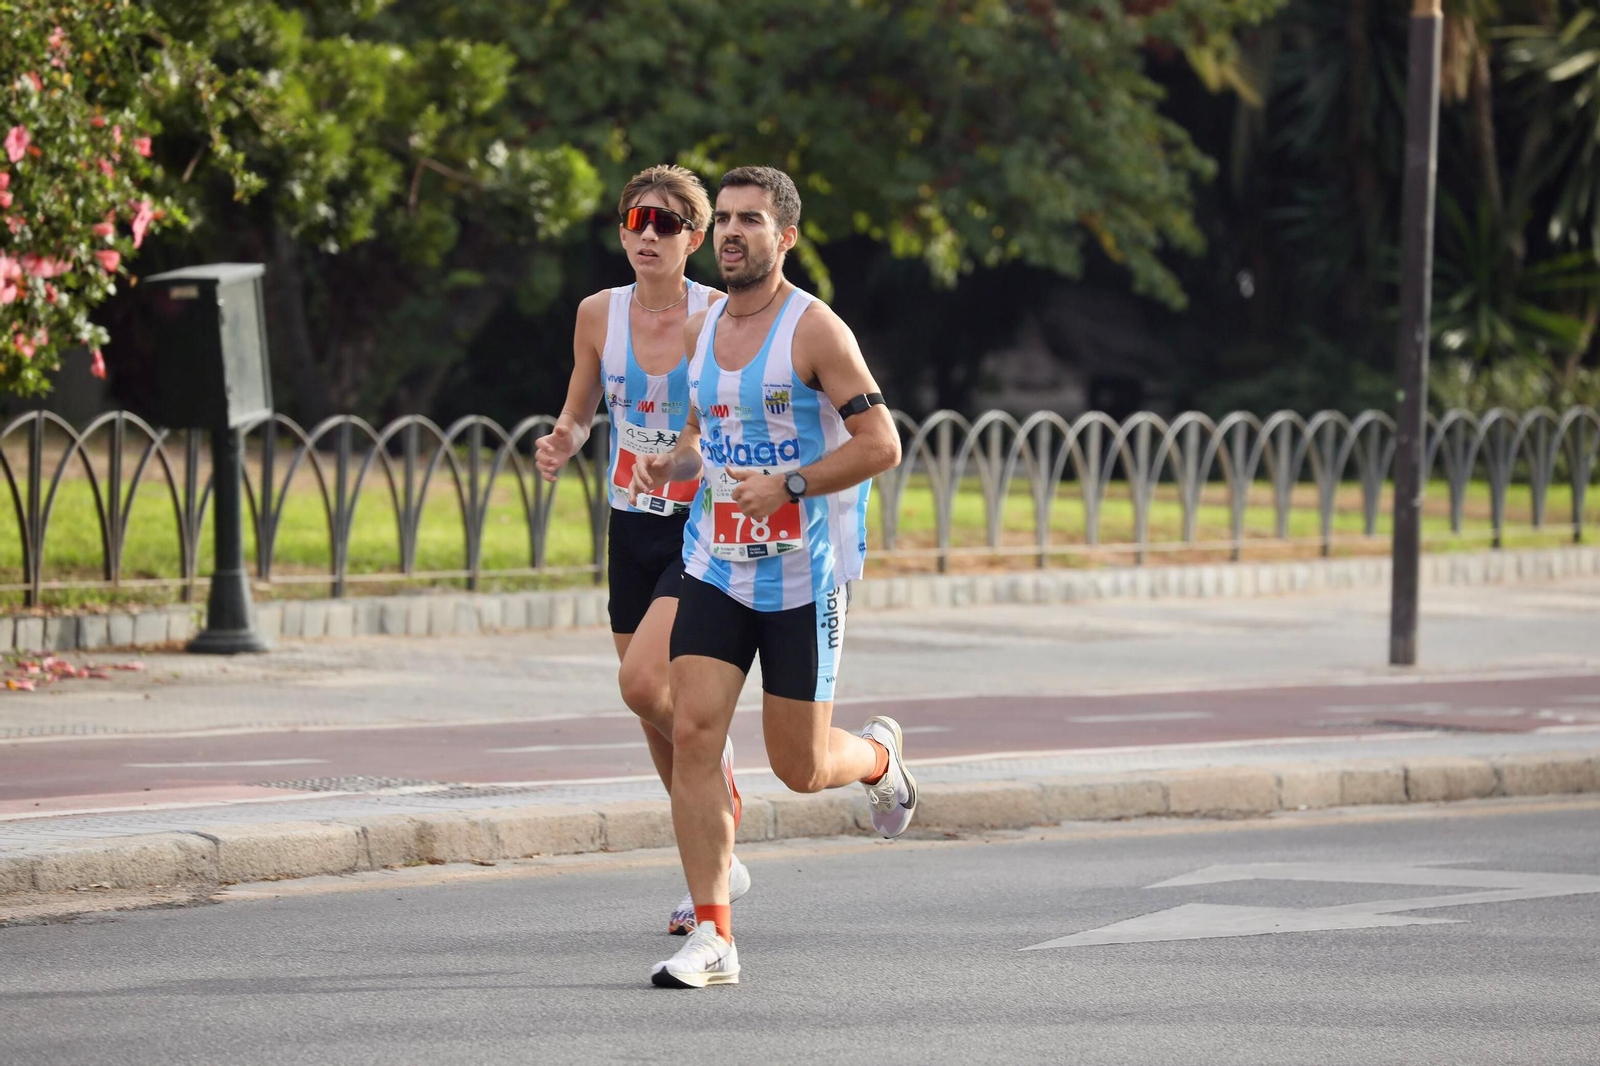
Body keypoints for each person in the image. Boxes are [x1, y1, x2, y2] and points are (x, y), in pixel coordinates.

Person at [629, 166, 914, 989]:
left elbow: (881, 446)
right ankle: (714, 935)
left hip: (803, 577)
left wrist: (790, 483)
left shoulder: (816, 331)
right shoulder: (701, 328)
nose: (729, 233)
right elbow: (698, 436)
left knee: (799, 765)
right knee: (693, 735)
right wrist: (667, 464)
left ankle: (878, 759)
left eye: (749, 221)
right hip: (715, 566)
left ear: (784, 238)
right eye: (722, 219)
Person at [534, 165, 749, 936]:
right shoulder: (599, 313)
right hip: (631, 525)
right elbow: (581, 406)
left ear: (694, 237)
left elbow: (712, 428)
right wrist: (564, 438)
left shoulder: (721, 316)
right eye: (636, 220)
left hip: (700, 526)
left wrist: (682, 458)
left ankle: (719, 805)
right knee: (650, 706)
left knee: (639, 683)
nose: (646, 235)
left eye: (665, 224)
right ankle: (712, 860)